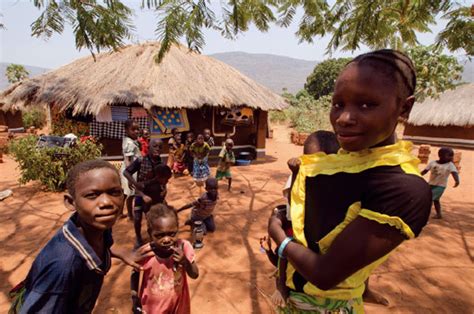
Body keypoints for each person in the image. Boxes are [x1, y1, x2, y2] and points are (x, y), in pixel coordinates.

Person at [268, 49, 432, 313]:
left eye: (366, 105)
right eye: (338, 104)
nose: (343, 119)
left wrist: (278, 236)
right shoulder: (341, 161)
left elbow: (324, 275)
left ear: (405, 106)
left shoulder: (403, 188)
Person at [12, 160, 152, 313]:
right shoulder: (63, 267)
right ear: (71, 202)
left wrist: (122, 252)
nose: (106, 202)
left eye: (114, 192)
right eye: (92, 195)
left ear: (124, 197)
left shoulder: (97, 226)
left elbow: (105, 244)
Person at [131, 204, 199, 314]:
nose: (167, 239)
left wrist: (184, 261)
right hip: (153, 307)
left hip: (178, 303)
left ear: (177, 229)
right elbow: (135, 272)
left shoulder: (184, 247)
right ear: (150, 233)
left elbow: (195, 274)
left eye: (172, 234)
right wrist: (135, 297)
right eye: (159, 235)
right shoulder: (145, 253)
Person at [124, 138, 172, 247]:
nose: (158, 149)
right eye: (155, 146)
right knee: (137, 217)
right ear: (148, 147)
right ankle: (138, 237)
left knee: (152, 217)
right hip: (141, 194)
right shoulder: (141, 160)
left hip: (155, 195)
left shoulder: (161, 163)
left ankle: (153, 236)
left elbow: (163, 179)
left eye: (160, 147)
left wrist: (164, 189)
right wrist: (135, 184)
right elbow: (126, 172)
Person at [421, 147, 460, 219]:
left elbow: (454, 173)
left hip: (440, 186)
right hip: (430, 184)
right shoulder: (432, 163)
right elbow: (425, 171)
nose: (451, 157)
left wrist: (457, 181)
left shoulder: (450, 165)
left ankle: (424, 214)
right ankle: (439, 214)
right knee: (436, 200)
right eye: (449, 155)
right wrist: (418, 176)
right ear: (441, 155)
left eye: (452, 155)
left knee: (430, 199)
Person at [121, 119, 141, 219]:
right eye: (133, 129)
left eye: (137, 129)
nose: (136, 131)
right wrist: (130, 177)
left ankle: (121, 212)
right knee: (131, 194)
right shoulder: (129, 143)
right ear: (126, 130)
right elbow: (127, 159)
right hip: (130, 170)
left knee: (126, 192)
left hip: (131, 169)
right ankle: (130, 215)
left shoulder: (130, 141)